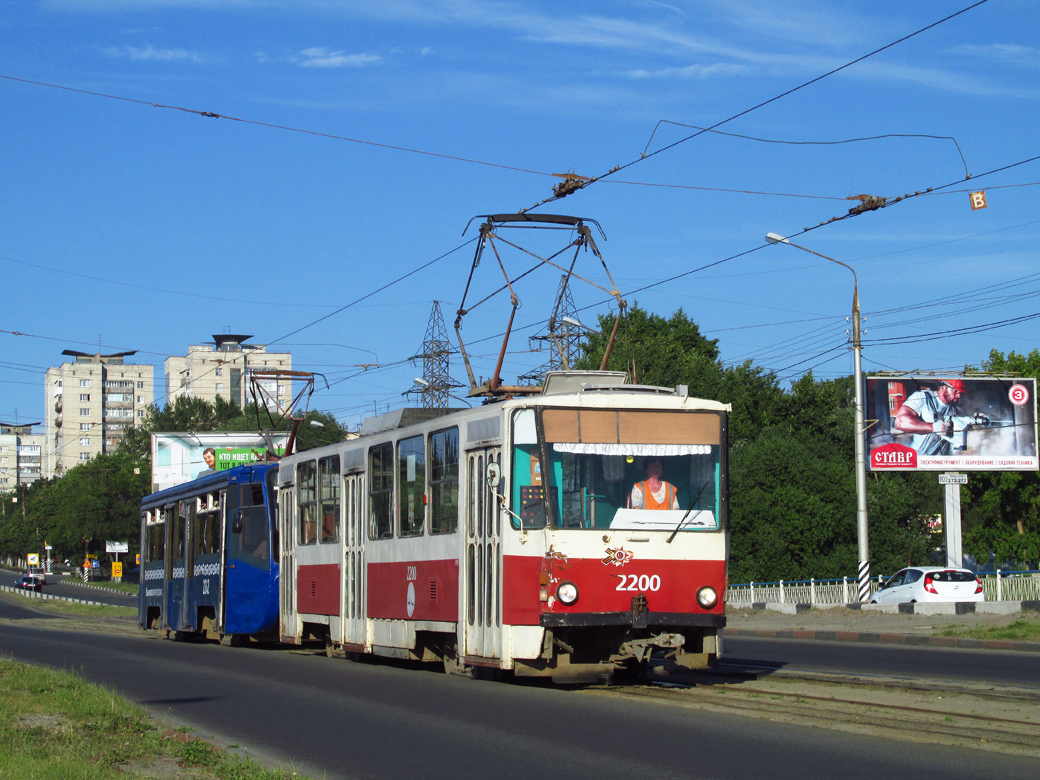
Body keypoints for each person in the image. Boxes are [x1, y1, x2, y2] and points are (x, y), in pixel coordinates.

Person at [894, 379, 965, 455]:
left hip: (942, 459)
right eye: (955, 391)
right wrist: (933, 427)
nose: (959, 396)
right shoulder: (922, 398)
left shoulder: (954, 409)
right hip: (920, 458)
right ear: (943, 387)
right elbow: (900, 422)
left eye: (960, 392)